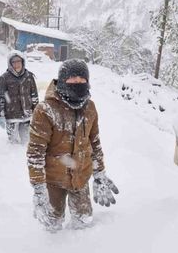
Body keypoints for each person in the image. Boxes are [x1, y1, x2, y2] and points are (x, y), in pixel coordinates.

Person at [27, 59, 119, 230]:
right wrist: (39, 188)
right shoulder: (45, 110)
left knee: (84, 223)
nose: (77, 83)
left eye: (82, 80)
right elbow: (35, 153)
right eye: (72, 79)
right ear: (62, 80)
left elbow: (95, 143)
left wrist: (99, 173)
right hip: (53, 180)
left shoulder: (90, 107)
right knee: (52, 224)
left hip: (81, 177)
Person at [0, 50, 39, 144]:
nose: (16, 64)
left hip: (27, 115)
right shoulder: (4, 78)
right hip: (12, 116)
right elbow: (0, 98)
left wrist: (36, 113)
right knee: (13, 144)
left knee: (26, 143)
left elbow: (34, 96)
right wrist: (0, 115)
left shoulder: (29, 76)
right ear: (10, 63)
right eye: (14, 62)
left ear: (22, 62)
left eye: (18, 61)